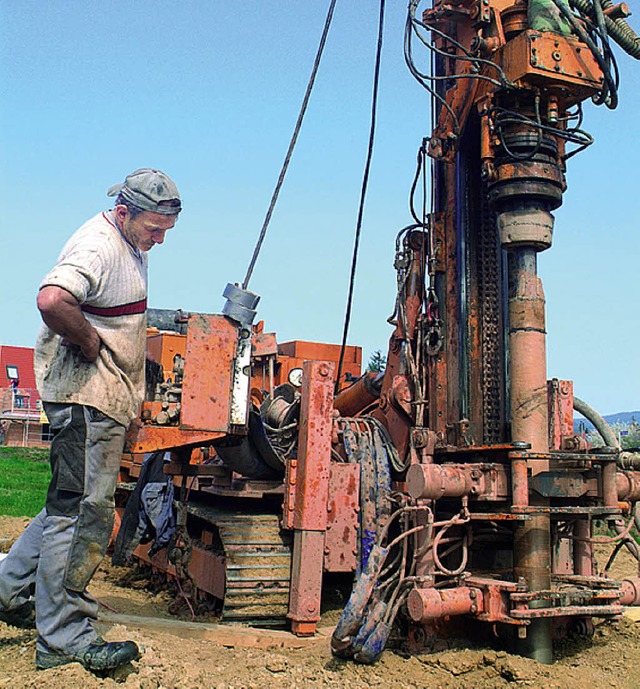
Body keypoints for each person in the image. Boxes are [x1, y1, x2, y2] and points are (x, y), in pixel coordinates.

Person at [0, 168, 181, 672]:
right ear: (124, 212)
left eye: (167, 229)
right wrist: (86, 340)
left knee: (65, 505)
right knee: (83, 514)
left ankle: (11, 592)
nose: (160, 238)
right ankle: (62, 636)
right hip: (86, 401)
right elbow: (53, 300)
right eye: (153, 227)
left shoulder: (128, 246)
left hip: (96, 400)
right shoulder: (99, 243)